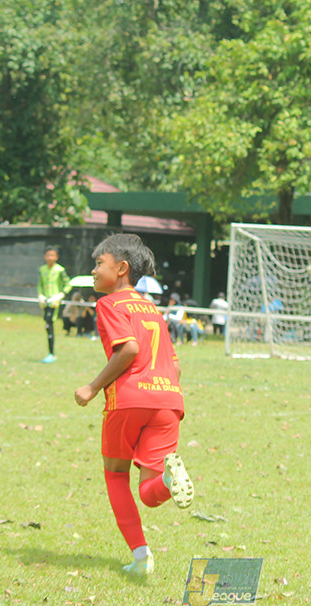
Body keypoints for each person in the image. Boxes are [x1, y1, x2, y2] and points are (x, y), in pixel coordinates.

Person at [74, 234, 194, 576]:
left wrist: (93, 387)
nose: (94, 270)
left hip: (128, 400)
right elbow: (176, 365)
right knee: (149, 492)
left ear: (121, 268)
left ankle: (142, 559)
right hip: (168, 399)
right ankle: (169, 481)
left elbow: (128, 349)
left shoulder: (110, 304)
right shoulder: (152, 309)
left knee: (116, 475)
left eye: (100, 263)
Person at [37, 247, 71, 363]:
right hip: (45, 301)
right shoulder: (42, 269)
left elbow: (68, 284)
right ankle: (50, 353)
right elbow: (40, 284)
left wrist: (60, 295)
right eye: (48, 255)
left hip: (54, 302)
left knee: (49, 324)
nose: (50, 258)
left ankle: (51, 354)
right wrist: (40, 295)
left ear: (56, 257)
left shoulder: (60, 270)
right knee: (47, 325)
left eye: (52, 255)